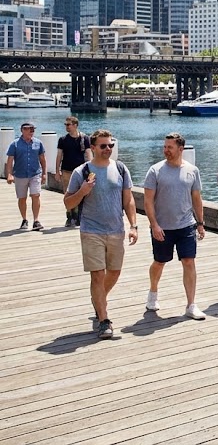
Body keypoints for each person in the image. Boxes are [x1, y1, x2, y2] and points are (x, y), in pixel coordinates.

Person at [63, 129, 138, 339]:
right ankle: (104, 320)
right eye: (103, 146)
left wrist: (133, 225)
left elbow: (129, 199)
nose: (108, 149)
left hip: (116, 230)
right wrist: (83, 191)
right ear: (93, 147)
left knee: (114, 272)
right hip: (91, 230)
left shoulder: (121, 169)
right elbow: (68, 202)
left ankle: (98, 300)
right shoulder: (82, 171)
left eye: (110, 145)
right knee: (97, 275)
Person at [143, 132, 206, 320]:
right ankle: (153, 292)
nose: (166, 150)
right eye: (165, 147)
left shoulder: (192, 170)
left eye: (170, 147)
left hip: (186, 225)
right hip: (162, 226)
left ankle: (191, 305)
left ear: (180, 149)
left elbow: (197, 199)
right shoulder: (155, 171)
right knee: (159, 262)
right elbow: (147, 201)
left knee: (189, 262)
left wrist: (201, 223)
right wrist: (154, 225)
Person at [5, 122, 46, 231]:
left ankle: (36, 221)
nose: (32, 131)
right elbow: (10, 160)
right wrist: (9, 174)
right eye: (29, 129)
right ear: (22, 130)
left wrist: (44, 173)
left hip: (35, 173)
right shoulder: (15, 144)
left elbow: (42, 159)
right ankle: (24, 220)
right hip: (20, 174)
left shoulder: (38, 143)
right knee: (22, 198)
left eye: (33, 129)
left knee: (35, 195)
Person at [56, 116, 92, 227]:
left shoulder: (84, 138)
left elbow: (89, 153)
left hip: (80, 172)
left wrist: (92, 169)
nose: (66, 127)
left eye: (68, 124)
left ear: (75, 125)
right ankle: (69, 216)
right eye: (65, 125)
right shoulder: (62, 140)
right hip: (66, 170)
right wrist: (57, 171)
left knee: (80, 194)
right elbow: (59, 156)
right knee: (68, 194)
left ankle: (77, 217)